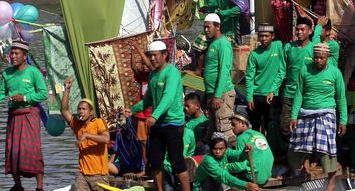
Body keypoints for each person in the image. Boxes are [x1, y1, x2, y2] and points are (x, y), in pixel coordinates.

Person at [0, 40, 47, 191]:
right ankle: (18, 187)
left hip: (29, 115)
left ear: (24, 55)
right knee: (13, 151)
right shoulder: (7, 73)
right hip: (14, 116)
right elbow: (0, 94)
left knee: (32, 151)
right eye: (11, 53)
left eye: (16, 53)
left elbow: (43, 94)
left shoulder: (33, 72)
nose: (13, 56)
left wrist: (25, 98)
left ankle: (40, 188)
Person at [123, 41, 190, 191]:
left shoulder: (172, 73)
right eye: (150, 56)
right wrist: (132, 110)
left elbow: (168, 98)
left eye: (155, 55)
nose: (152, 59)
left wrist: (153, 116)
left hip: (173, 123)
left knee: (177, 163)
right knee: (155, 162)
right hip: (157, 125)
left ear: (165, 55)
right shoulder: (152, 75)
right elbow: (148, 100)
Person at [288, 43, 347, 191]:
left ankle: (332, 180)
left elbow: (341, 98)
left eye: (321, 58)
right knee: (298, 144)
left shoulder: (335, 73)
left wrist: (343, 121)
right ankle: (302, 166)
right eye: (316, 57)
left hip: (326, 113)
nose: (318, 60)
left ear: (327, 57)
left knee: (327, 147)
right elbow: (299, 94)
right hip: (306, 112)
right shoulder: (304, 70)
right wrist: (294, 116)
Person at [61, 77, 110, 190]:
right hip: (82, 175)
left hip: (99, 175)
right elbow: (64, 111)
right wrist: (67, 89)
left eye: (84, 109)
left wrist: (87, 135)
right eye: (79, 109)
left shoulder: (98, 122)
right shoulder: (77, 125)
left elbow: (106, 139)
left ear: (91, 112)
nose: (81, 111)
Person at [280, 17, 319, 141]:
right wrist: (273, 90)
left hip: (306, 95)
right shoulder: (288, 47)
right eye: (297, 30)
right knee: (285, 126)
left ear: (310, 31)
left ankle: (305, 157)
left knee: (306, 127)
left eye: (303, 29)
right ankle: (292, 152)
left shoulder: (314, 49)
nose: (299, 32)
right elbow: (281, 70)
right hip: (290, 94)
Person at [202, 13, 236, 144]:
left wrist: (217, 96)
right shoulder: (213, 43)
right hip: (213, 93)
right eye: (204, 27)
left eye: (208, 27)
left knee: (224, 130)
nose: (206, 30)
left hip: (222, 94)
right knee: (213, 129)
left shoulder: (223, 45)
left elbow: (224, 71)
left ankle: (234, 157)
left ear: (217, 27)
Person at [245, 23, 285, 132]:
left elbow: (281, 71)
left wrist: (273, 90)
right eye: (261, 36)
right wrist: (249, 97)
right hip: (257, 95)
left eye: (266, 36)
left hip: (272, 95)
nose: (263, 39)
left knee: (271, 125)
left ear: (272, 36)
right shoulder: (254, 54)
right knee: (255, 126)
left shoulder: (279, 46)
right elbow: (249, 77)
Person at [192, 133, 259, 191]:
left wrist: (245, 152)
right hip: (203, 186)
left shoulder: (227, 152)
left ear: (226, 148)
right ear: (211, 148)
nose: (218, 152)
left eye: (221, 149)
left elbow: (239, 157)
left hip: (218, 182)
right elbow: (223, 176)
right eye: (215, 148)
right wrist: (245, 185)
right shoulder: (208, 160)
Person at [226, 112, 274, 186]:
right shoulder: (259, 134)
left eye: (233, 125)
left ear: (242, 124)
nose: (232, 127)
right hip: (266, 175)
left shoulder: (241, 138)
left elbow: (240, 166)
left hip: (254, 178)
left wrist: (225, 167)